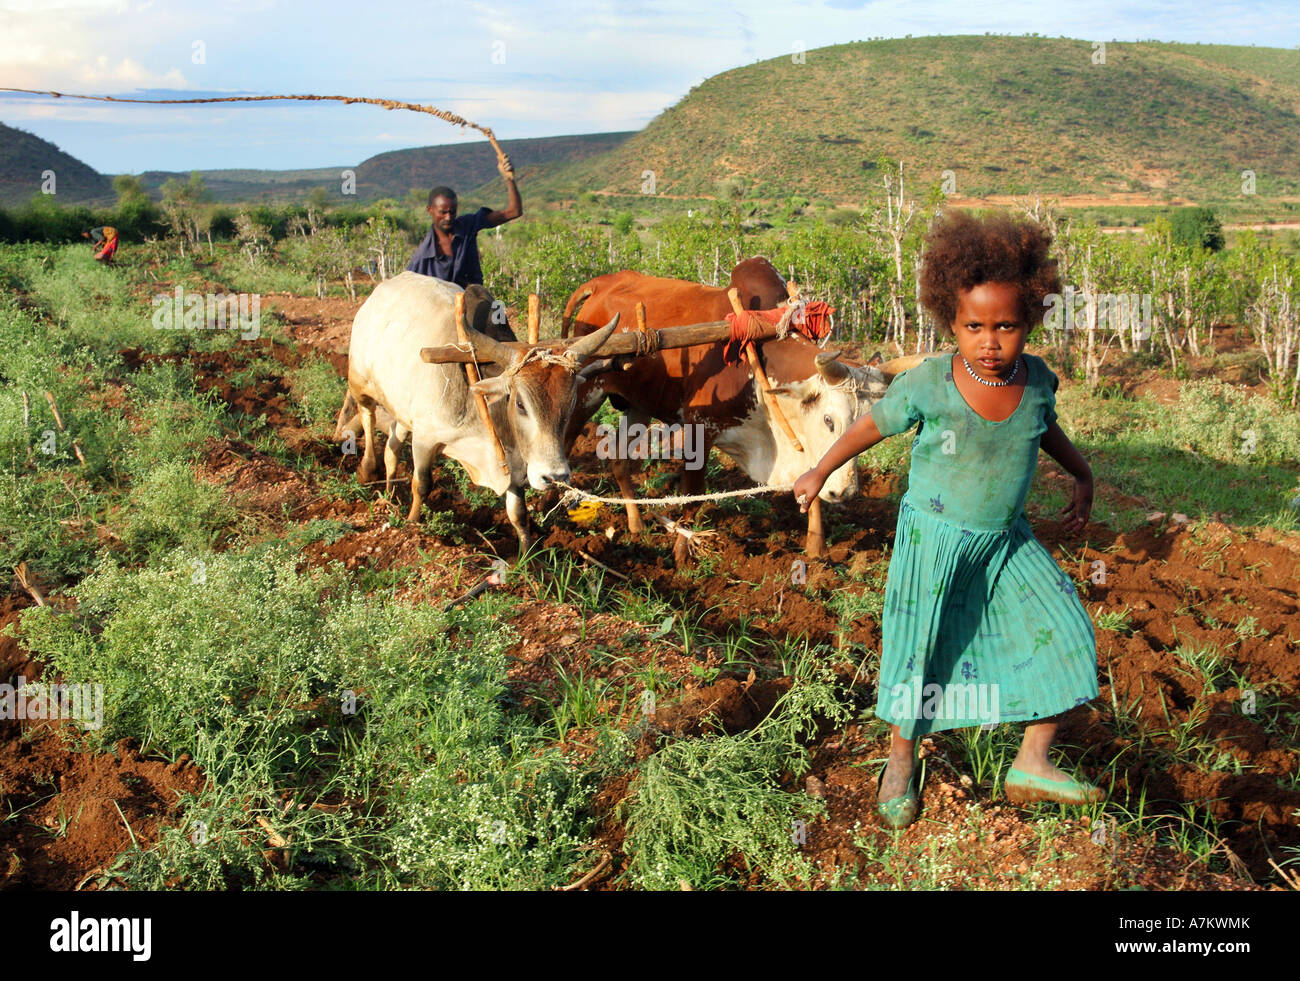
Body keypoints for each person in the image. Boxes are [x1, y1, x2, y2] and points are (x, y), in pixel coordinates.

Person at [792, 209, 1103, 830]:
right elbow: (869, 426)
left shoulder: (1036, 381)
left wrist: (1083, 473)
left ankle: (1032, 763)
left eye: (1006, 326)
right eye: (973, 326)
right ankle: (901, 761)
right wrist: (818, 470)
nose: (989, 341)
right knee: (921, 654)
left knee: (1069, 628)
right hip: (934, 543)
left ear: (1031, 321)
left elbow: (1047, 433)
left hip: (1005, 543)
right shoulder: (932, 383)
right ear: (951, 321)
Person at [406, 155, 522, 286]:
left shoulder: (467, 226)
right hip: (442, 304)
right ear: (429, 210)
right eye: (443, 213)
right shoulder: (423, 257)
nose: (448, 217)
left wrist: (509, 178)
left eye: (452, 212)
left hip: (475, 300)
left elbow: (514, 211)